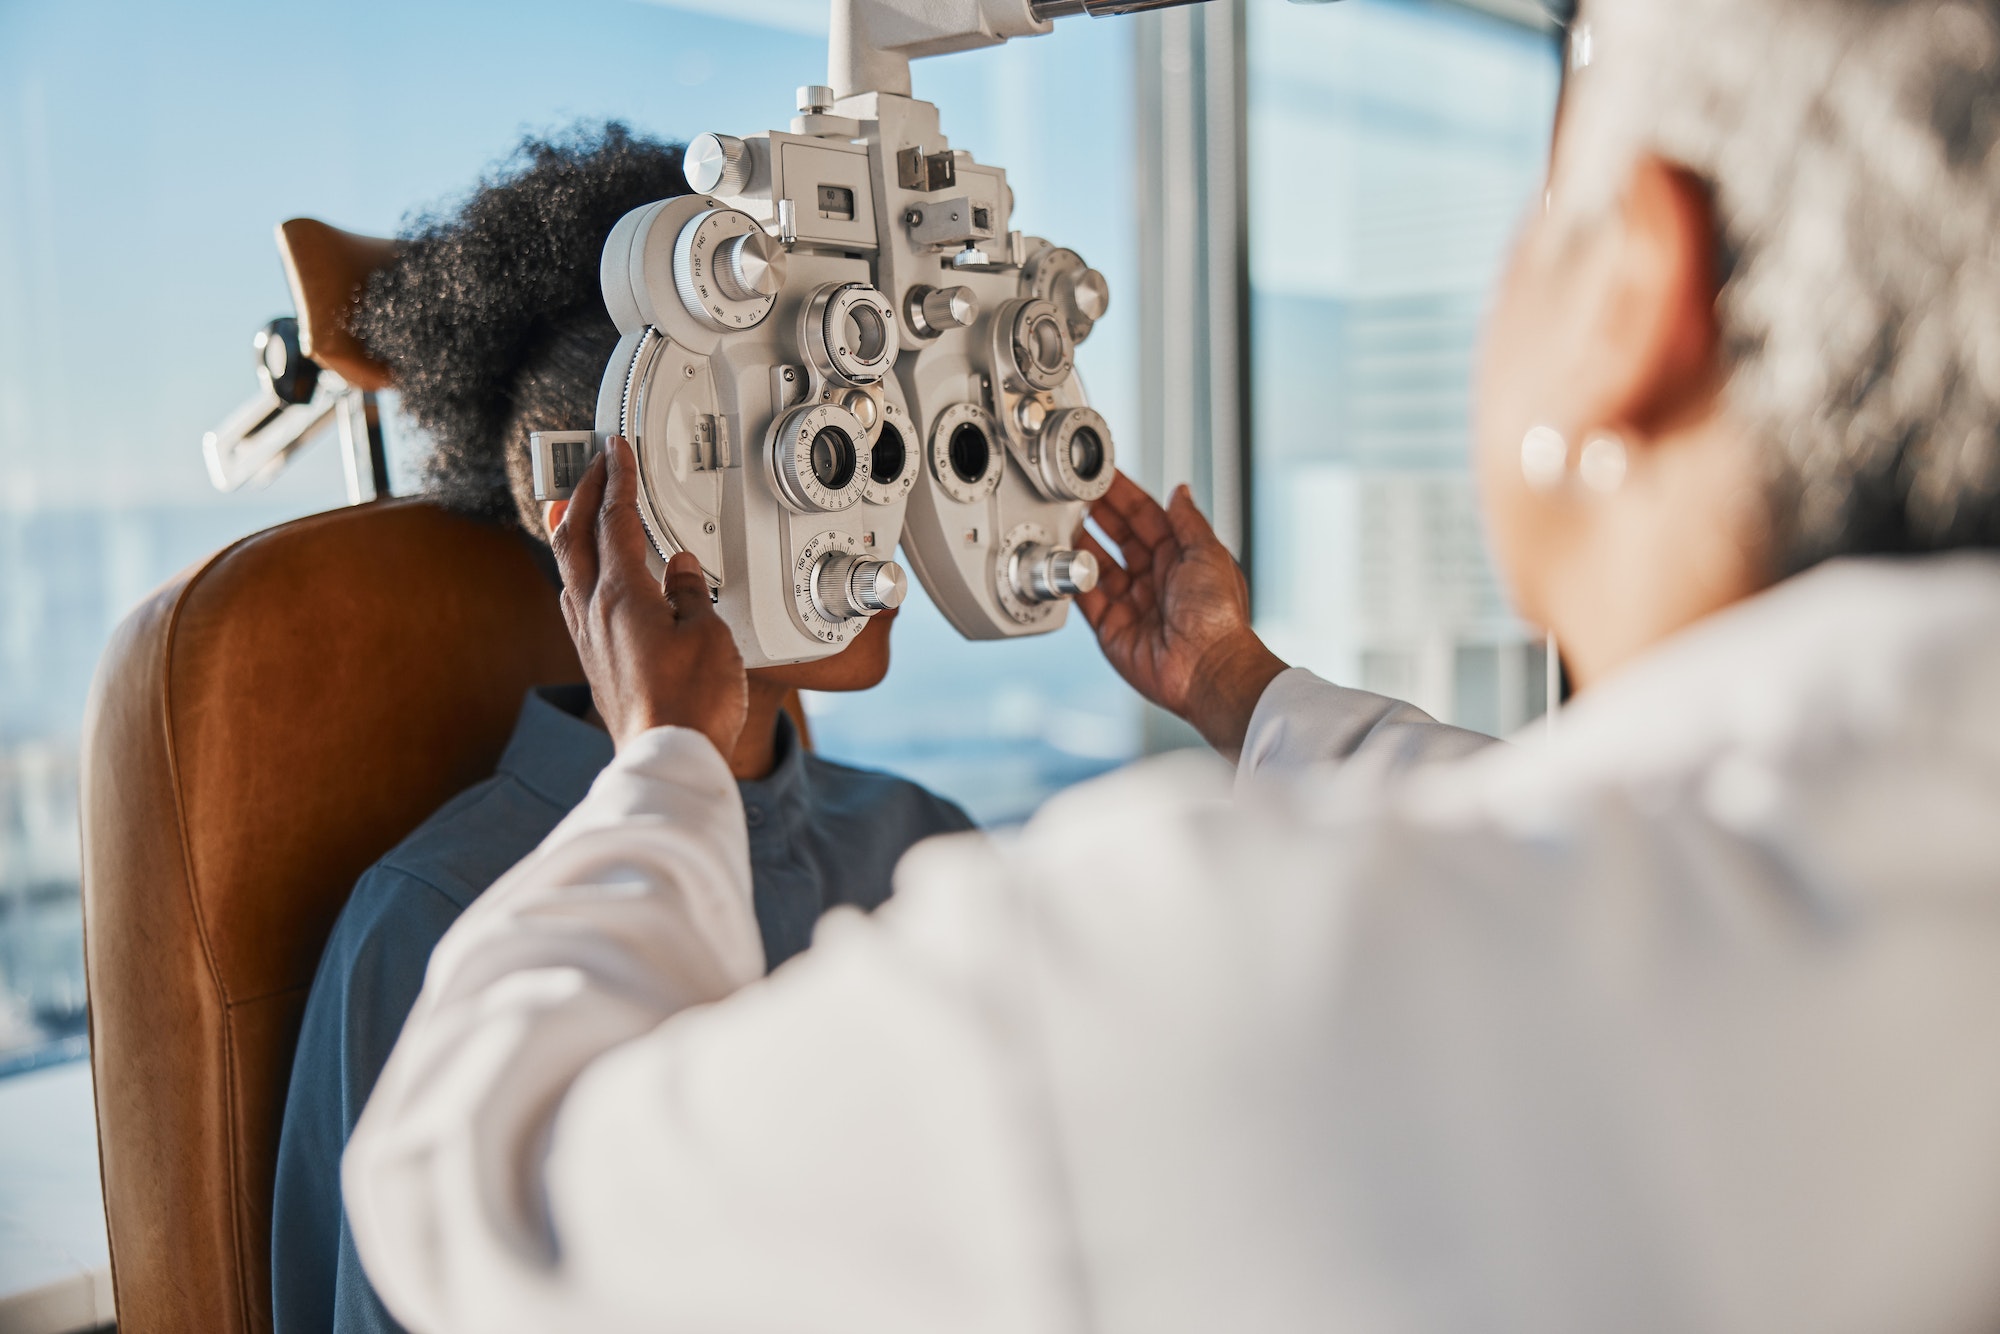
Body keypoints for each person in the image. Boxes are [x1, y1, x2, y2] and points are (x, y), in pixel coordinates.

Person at [348, 0, 2000, 1327]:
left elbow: (489, 1190)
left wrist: (668, 764)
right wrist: (1244, 688)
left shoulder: (1141, 967)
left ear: (1636, 287)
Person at [270, 123, 974, 1334]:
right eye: (803, 446)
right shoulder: (440, 918)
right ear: (603, 518)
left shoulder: (925, 850)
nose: (878, 492)